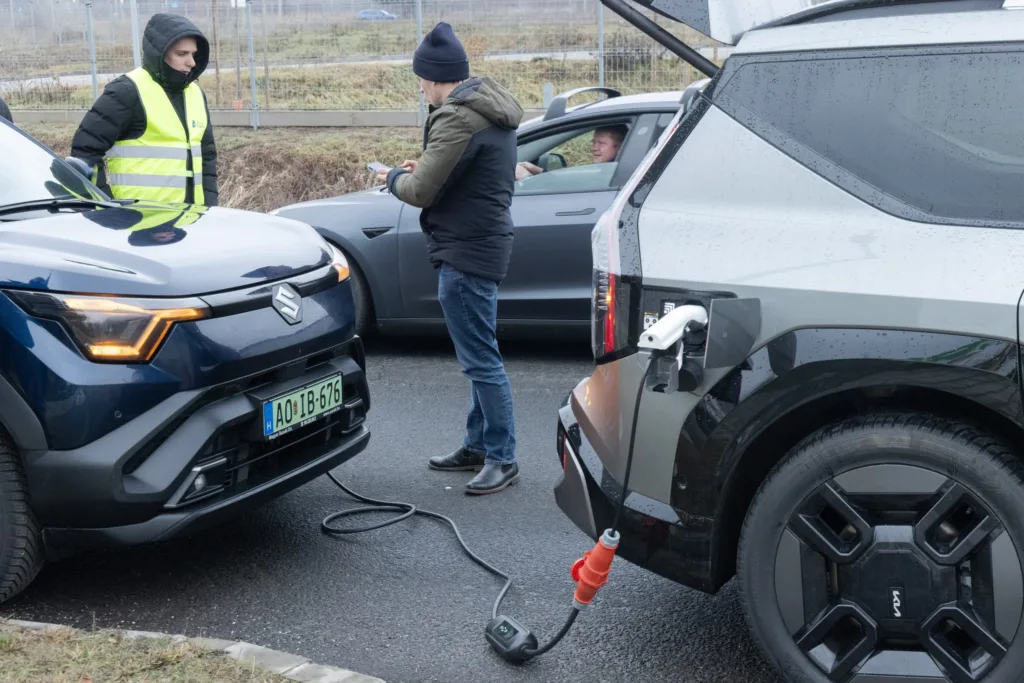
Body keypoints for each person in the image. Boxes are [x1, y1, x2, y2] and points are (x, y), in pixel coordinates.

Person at [376, 22, 525, 496]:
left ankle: (502, 457)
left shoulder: (458, 117)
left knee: (481, 361)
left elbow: (420, 192)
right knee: (479, 355)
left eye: (422, 80)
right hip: (481, 242)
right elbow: (465, 173)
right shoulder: (488, 110)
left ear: (436, 78)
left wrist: (391, 177)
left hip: (466, 251)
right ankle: (477, 445)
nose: (421, 88)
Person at [69, 13, 217, 206]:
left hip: (192, 219)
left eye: (193, 54)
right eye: (182, 54)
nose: (192, 62)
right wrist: (106, 207)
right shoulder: (127, 91)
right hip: (140, 223)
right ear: (160, 54)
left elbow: (206, 158)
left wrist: (210, 209)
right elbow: (84, 152)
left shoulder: (196, 94)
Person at [515, 124, 627, 179]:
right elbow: (574, 179)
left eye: (601, 143)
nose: (594, 148)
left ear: (619, 147)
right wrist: (539, 171)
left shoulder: (613, 174)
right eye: (594, 142)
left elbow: (580, 185)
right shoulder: (613, 169)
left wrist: (527, 179)